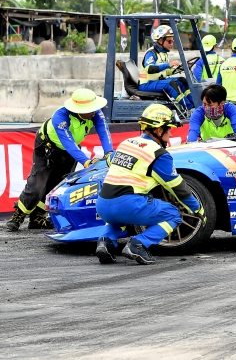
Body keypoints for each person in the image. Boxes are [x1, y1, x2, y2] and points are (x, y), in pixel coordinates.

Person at [95, 104, 204, 265]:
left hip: (103, 204)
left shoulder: (127, 142)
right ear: (159, 130)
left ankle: (105, 242)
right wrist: (197, 208)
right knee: (173, 214)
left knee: (117, 219)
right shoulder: (159, 154)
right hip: (127, 205)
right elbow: (177, 186)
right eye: (169, 130)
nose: (170, 134)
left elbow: (111, 161)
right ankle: (138, 244)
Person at [6, 89, 114, 232]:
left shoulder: (96, 113)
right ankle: (17, 217)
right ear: (80, 110)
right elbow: (67, 142)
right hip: (47, 148)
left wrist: (109, 154)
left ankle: (37, 218)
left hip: (70, 150)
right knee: (37, 185)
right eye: (90, 109)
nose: (94, 111)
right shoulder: (60, 117)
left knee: (56, 186)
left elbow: (104, 133)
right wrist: (86, 161)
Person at [138, 25, 194, 110]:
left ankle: (195, 105)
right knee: (171, 84)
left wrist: (179, 67)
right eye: (170, 41)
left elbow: (165, 72)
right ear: (160, 40)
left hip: (157, 82)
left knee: (182, 81)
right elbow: (150, 69)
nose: (172, 44)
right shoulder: (151, 53)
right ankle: (189, 108)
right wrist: (168, 64)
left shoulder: (164, 54)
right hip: (147, 84)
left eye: (172, 41)